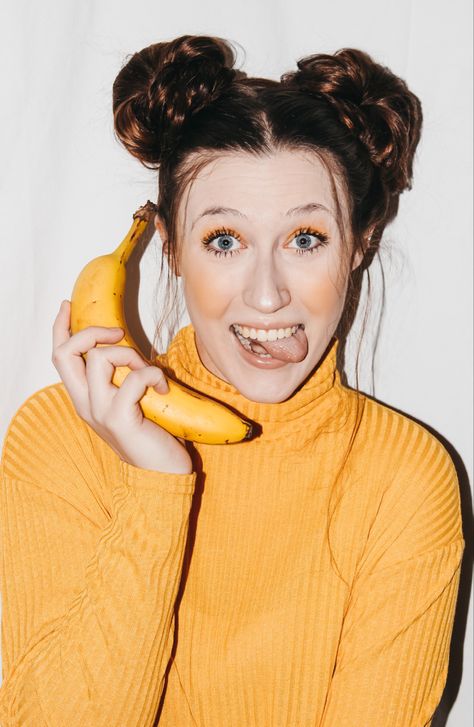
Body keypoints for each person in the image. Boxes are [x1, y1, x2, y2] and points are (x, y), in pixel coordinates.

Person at [0, 34, 465, 727]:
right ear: (173, 248)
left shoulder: (405, 477)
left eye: (306, 238)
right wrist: (156, 486)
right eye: (225, 240)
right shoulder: (60, 435)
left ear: (361, 240)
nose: (268, 294)